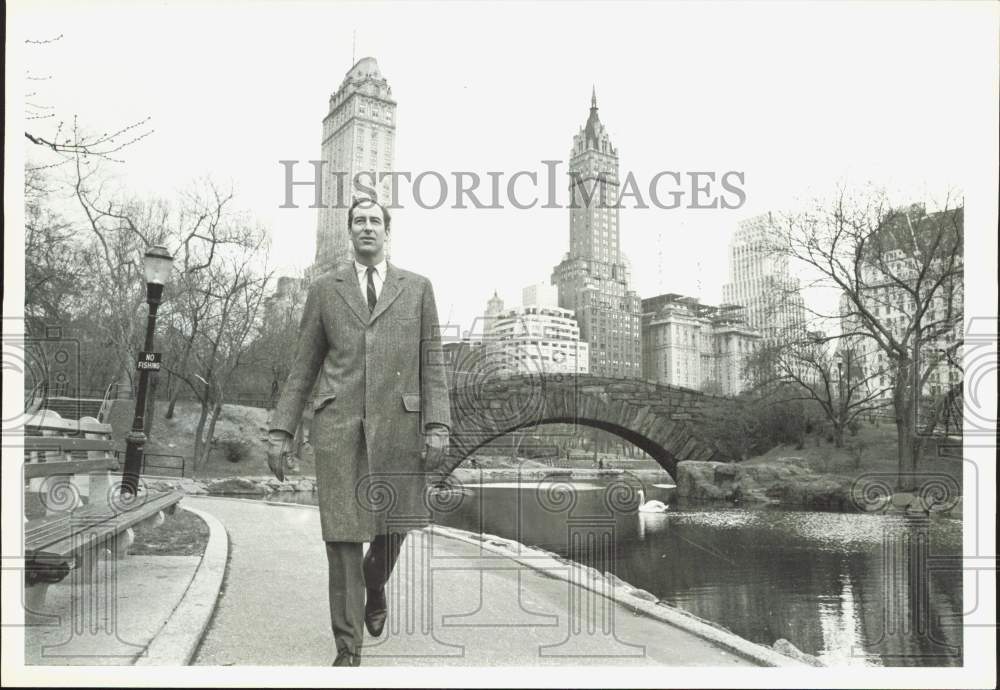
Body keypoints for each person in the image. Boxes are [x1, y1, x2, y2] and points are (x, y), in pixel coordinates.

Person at [267, 197, 451, 666]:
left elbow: (432, 364)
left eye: (375, 221)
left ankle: (376, 584)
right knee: (343, 538)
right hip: (338, 428)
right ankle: (348, 650)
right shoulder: (325, 290)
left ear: (387, 232)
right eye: (358, 221)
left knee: (395, 526)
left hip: (400, 427)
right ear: (349, 232)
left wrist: (437, 424)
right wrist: (280, 430)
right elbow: (303, 366)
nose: (367, 227)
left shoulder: (418, 288)